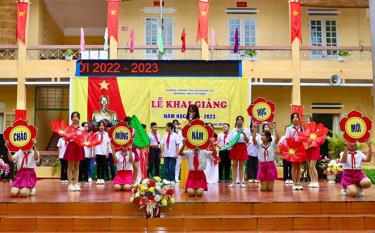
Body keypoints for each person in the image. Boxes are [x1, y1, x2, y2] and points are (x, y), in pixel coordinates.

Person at [253, 124, 280, 191]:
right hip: (262, 166)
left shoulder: (272, 144)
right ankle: (261, 186)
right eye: (261, 135)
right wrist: (255, 129)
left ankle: (263, 186)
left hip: (270, 165)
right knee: (264, 189)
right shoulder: (259, 145)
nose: (262, 136)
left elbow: (278, 137)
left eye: (264, 135)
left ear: (268, 137)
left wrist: (274, 127)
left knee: (270, 189)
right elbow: (253, 139)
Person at [180, 104, 200, 190]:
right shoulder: (184, 121)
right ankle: (186, 184)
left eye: (193, 111)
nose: (191, 113)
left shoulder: (200, 121)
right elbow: (184, 133)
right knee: (186, 165)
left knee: (195, 165)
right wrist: (190, 122)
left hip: (196, 146)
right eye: (190, 111)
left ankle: (195, 184)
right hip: (187, 146)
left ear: (196, 112)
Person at [64, 112, 85, 192]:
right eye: (73, 116)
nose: (75, 118)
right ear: (71, 118)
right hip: (71, 146)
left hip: (79, 147)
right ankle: (70, 184)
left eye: (77, 116)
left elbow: (84, 137)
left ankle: (76, 183)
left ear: (79, 118)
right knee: (70, 166)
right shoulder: (68, 128)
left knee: (77, 166)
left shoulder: (81, 128)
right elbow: (66, 138)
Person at [284, 112, 306, 190]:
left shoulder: (302, 128)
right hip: (292, 148)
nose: (295, 118)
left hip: (300, 147)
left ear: (299, 119)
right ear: (292, 119)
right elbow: (287, 138)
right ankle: (294, 183)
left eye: (297, 117)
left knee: (299, 166)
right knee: (294, 166)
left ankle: (298, 182)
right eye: (294, 117)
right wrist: (290, 148)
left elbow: (304, 137)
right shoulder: (289, 128)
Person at [228, 116, 251, 188]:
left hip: (242, 147)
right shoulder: (233, 130)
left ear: (243, 121)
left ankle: (241, 182)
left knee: (241, 165)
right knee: (234, 165)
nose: (239, 121)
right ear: (236, 121)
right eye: (238, 120)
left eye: (241, 120)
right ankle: (234, 182)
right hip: (235, 147)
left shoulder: (246, 130)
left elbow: (247, 141)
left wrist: (243, 133)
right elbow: (231, 140)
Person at [94, 120, 110, 185]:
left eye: (102, 125)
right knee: (98, 166)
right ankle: (98, 179)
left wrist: (107, 153)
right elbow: (94, 144)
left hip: (104, 152)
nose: (101, 127)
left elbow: (108, 144)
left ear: (104, 127)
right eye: (100, 125)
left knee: (103, 166)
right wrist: (94, 152)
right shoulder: (95, 134)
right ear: (98, 127)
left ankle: (102, 178)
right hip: (97, 152)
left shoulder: (107, 134)